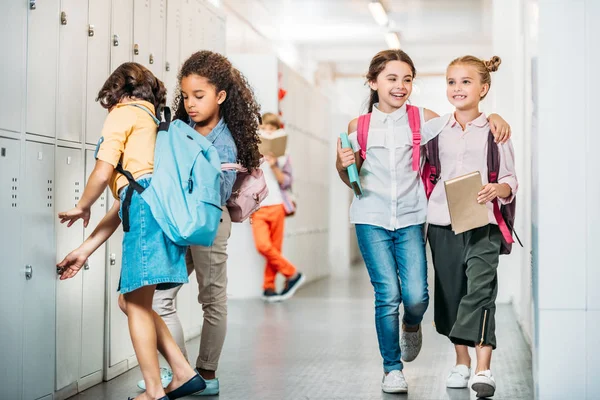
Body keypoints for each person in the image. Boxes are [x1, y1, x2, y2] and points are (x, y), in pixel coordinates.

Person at [335, 49, 512, 394]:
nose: (400, 86)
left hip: (412, 217)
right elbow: (350, 178)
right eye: (391, 78)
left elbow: (464, 120)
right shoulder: (359, 126)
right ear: (373, 82)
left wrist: (496, 116)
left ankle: (412, 325)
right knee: (387, 293)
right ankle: (391, 369)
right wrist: (343, 165)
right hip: (370, 218)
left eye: (407, 79)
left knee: (416, 296)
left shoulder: (427, 120)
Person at [56, 62, 204, 400]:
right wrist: (84, 250)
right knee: (131, 301)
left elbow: (103, 168)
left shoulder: (124, 113)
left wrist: (82, 204)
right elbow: (126, 200)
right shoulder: (154, 122)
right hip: (158, 210)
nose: (107, 110)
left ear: (117, 94)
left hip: (146, 213)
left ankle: (154, 391)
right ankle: (182, 373)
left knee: (136, 305)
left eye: (107, 102)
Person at [136, 50, 262, 397]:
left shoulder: (223, 142)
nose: (190, 104)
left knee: (212, 300)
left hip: (208, 224)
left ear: (220, 96)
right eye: (186, 96)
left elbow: (212, 194)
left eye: (199, 96)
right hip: (180, 221)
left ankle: (206, 374)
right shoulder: (183, 128)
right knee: (161, 298)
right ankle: (180, 371)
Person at [426, 56, 517, 398]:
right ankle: (461, 361)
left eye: (466, 82)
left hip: (484, 223)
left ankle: (483, 369)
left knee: (480, 290)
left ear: (484, 88)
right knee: (451, 292)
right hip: (441, 222)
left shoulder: (497, 132)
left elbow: (510, 180)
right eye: (451, 82)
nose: (458, 88)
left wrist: (498, 189)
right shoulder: (435, 130)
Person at [252, 112, 304, 302]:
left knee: (274, 248)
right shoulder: (251, 153)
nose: (267, 132)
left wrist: (274, 165)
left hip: (277, 205)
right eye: (263, 129)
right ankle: (292, 274)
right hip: (258, 207)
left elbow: (286, 182)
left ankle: (269, 287)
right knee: (263, 246)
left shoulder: (283, 157)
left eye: (271, 129)